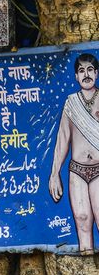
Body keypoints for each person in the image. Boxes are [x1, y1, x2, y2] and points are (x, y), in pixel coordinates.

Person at [48, 53, 99, 252]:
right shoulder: (71, 103)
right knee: (82, 219)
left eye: (89, 70)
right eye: (81, 71)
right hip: (77, 171)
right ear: (76, 77)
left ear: (96, 73)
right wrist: (54, 174)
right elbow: (62, 140)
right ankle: (87, 266)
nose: (86, 74)